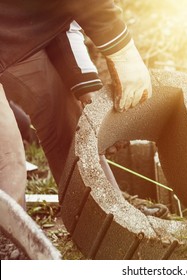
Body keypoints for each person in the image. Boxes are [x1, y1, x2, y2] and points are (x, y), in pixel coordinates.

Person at [0, 1, 152, 207]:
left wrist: (89, 93)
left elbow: (63, 23)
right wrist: (122, 49)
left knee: (69, 122)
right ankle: (8, 236)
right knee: (8, 165)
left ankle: (105, 215)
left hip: (12, 33)